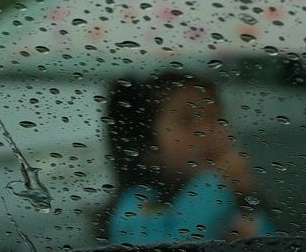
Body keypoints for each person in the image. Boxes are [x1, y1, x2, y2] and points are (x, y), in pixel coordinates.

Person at [104, 71, 275, 243]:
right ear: (149, 147)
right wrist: (216, 185)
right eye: (186, 120)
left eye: (215, 117)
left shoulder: (240, 207)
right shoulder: (138, 201)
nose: (207, 131)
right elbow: (165, 242)